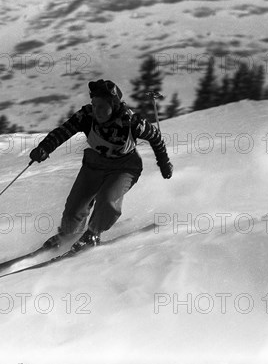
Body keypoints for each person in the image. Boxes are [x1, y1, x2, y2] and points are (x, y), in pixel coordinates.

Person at [29, 79, 173, 252]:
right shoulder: (87, 116)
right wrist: (44, 148)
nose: (96, 111)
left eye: (102, 107)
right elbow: (63, 131)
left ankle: (92, 234)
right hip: (95, 164)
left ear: (114, 105)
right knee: (74, 207)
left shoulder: (132, 121)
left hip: (125, 167)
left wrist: (164, 163)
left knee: (107, 199)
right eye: (94, 105)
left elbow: (156, 137)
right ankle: (68, 234)